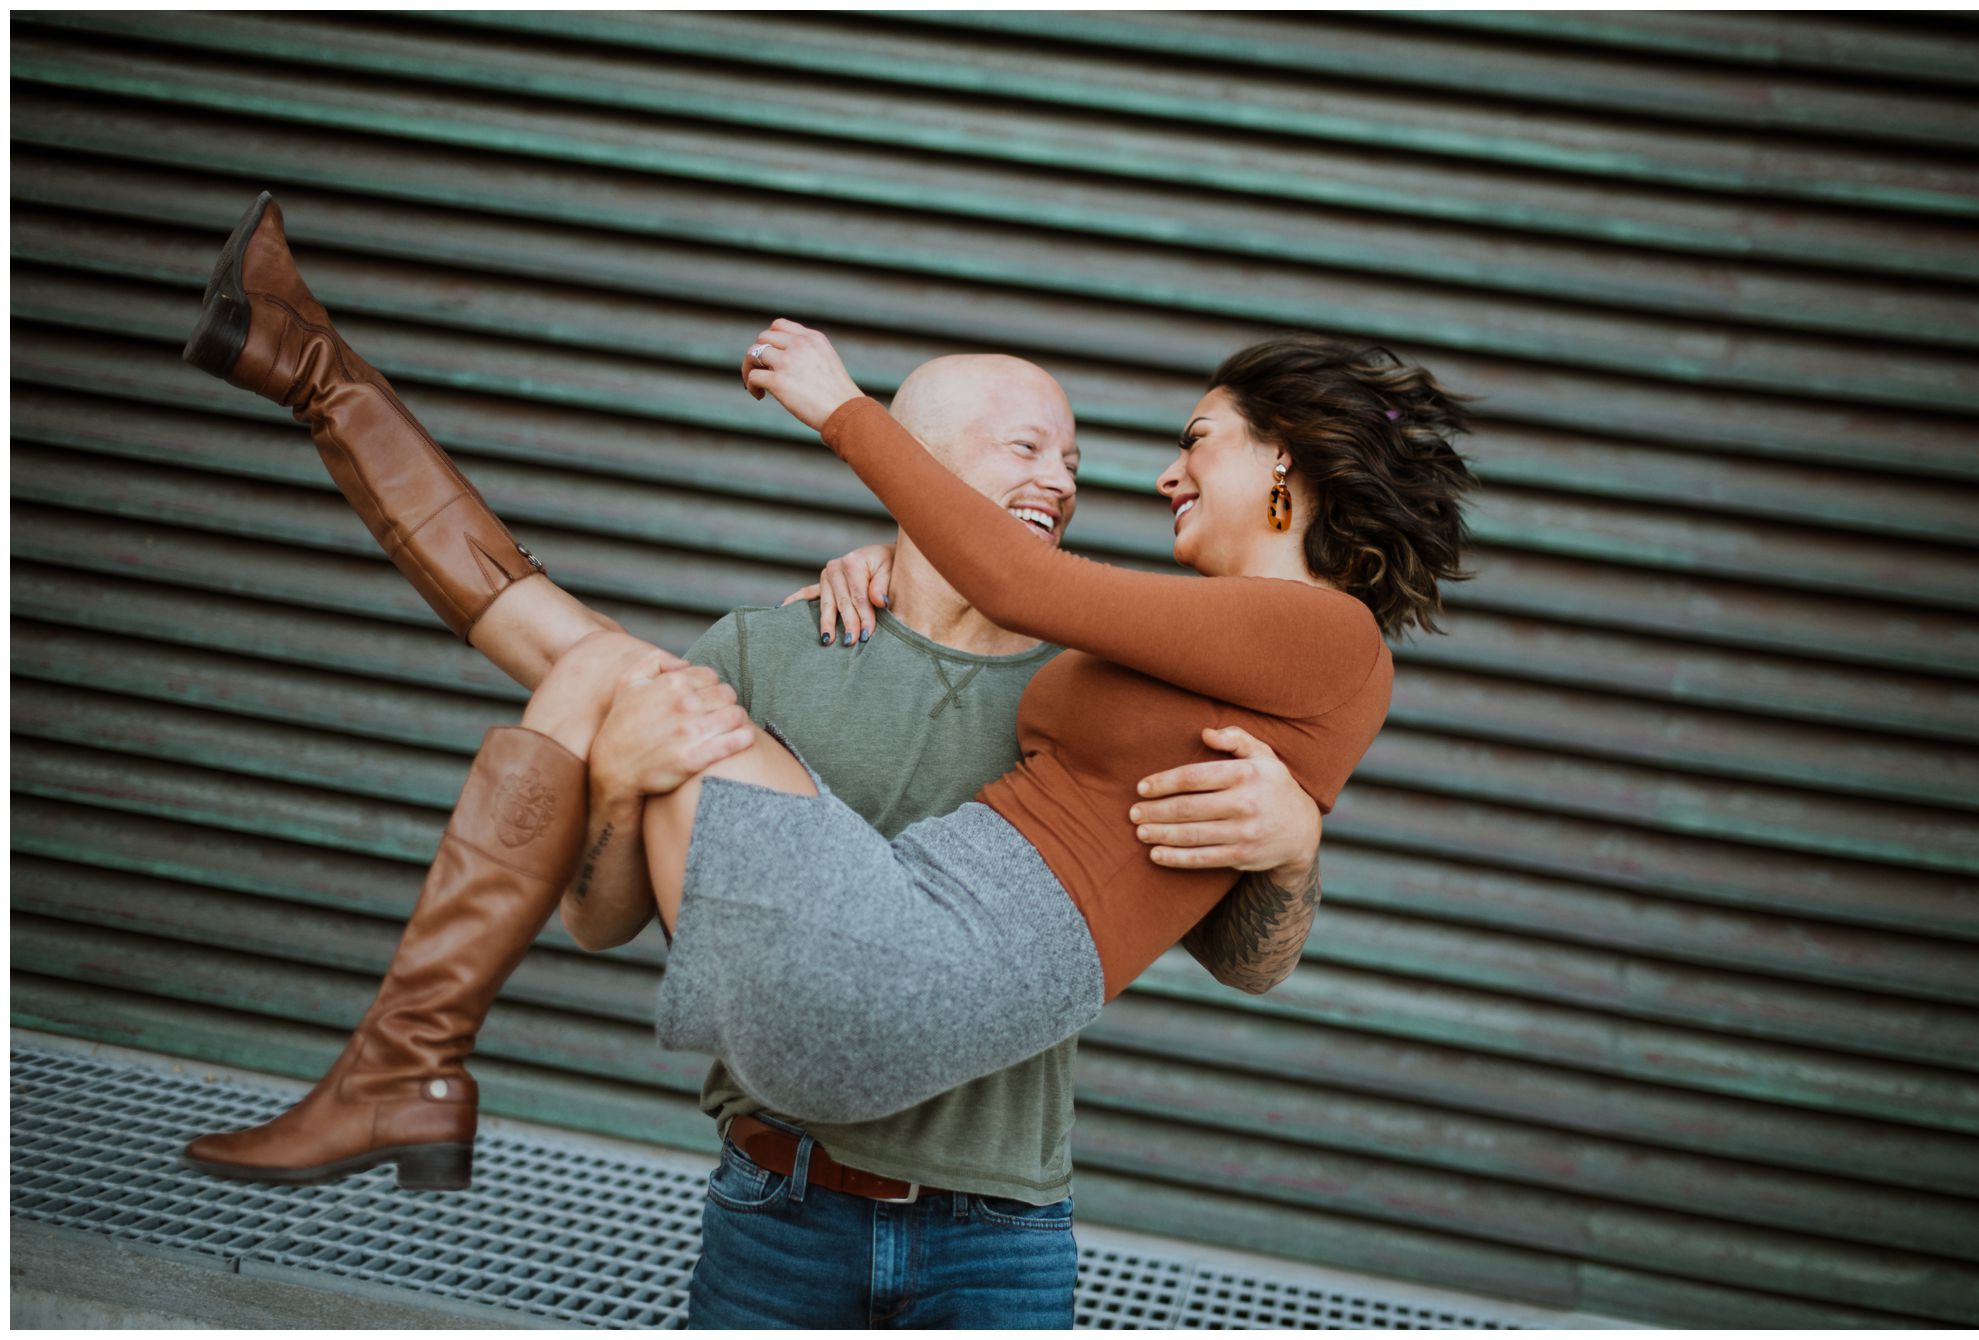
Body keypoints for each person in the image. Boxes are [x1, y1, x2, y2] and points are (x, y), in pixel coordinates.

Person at [174, 192, 1471, 1267]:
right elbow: (588, 857)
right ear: (936, 464)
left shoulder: (1308, 635)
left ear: (1289, 466)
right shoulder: (834, 637)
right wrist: (642, 766)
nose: (1118, 479)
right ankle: (311, 371)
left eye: (1192, 442)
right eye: (1033, 448)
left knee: (605, 670)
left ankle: (410, 1068)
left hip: (963, 1089)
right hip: (809, 1120)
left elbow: (1029, 595)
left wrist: (839, 408)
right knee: (587, 668)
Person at [574, 355, 1328, 1328]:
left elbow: (1248, 962)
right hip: (778, 1200)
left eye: (1073, 461)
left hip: (999, 1234)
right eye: (1026, 446)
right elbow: (600, 919)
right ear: (914, 457)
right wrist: (613, 782)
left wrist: (1292, 847)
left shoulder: (1112, 693)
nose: (1061, 480)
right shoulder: (765, 652)